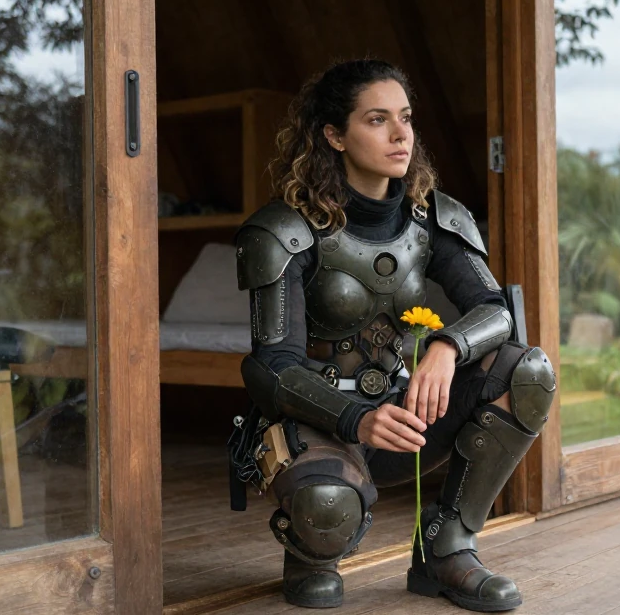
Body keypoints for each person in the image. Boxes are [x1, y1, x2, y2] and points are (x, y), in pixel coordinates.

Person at [235, 58, 556, 611]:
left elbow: (495, 310)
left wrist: (446, 347)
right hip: (323, 428)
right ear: (334, 135)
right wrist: (355, 417)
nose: (400, 133)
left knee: (527, 371)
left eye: (405, 118)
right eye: (377, 119)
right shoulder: (284, 230)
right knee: (327, 513)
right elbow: (271, 367)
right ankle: (311, 551)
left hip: (405, 419)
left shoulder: (434, 218)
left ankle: (448, 547)